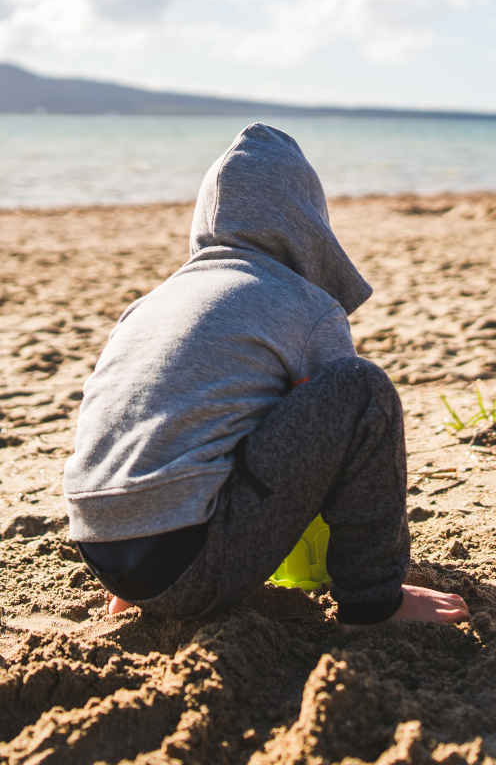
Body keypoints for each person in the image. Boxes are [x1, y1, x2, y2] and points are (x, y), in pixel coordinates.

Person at [64, 122, 468, 626]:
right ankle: (374, 603)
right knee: (362, 391)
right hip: (191, 557)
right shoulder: (306, 304)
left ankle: (143, 591)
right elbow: (343, 441)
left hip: (102, 549)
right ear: (308, 221)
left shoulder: (151, 304)